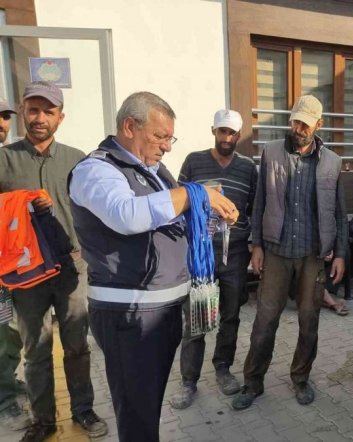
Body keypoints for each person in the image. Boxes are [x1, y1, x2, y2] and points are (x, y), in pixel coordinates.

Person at [68, 92, 238, 442]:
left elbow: (172, 221)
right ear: (130, 127)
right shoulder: (96, 170)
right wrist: (194, 193)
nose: (167, 147)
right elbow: (127, 215)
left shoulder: (155, 171)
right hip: (130, 317)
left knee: (148, 407)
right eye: (160, 136)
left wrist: (210, 216)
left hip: (162, 312)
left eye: (170, 138)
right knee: (137, 416)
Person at [0, 82, 107, 442]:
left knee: (77, 345)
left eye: (48, 111)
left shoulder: (78, 160)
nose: (40, 118)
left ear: (61, 117)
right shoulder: (5, 160)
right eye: (33, 110)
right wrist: (19, 203)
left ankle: (83, 409)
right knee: (35, 349)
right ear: (23, 112)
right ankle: (43, 419)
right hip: (25, 273)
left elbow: (93, 210)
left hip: (71, 268)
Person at [233, 95, 348, 410]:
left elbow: (339, 213)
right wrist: (256, 245)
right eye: (296, 121)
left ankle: (301, 378)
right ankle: (252, 382)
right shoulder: (271, 152)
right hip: (277, 252)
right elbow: (259, 202)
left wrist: (340, 253)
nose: (298, 129)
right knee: (265, 319)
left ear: (318, 125)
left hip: (313, 255)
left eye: (305, 124)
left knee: (309, 321)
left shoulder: (332, 162)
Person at [169, 109, 257, 409]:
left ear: (239, 135)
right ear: (214, 131)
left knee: (230, 316)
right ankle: (189, 381)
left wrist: (249, 237)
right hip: (201, 253)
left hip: (235, 253)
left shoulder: (248, 167)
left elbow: (254, 208)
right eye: (222, 131)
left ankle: (223, 368)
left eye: (232, 133)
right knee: (197, 317)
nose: (227, 138)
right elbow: (177, 201)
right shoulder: (194, 161)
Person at [0, 97, 32, 433]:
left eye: (4, 117)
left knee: (10, 331)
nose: (1, 124)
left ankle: (7, 382)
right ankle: (4, 401)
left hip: (10, 266)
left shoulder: (6, 159)